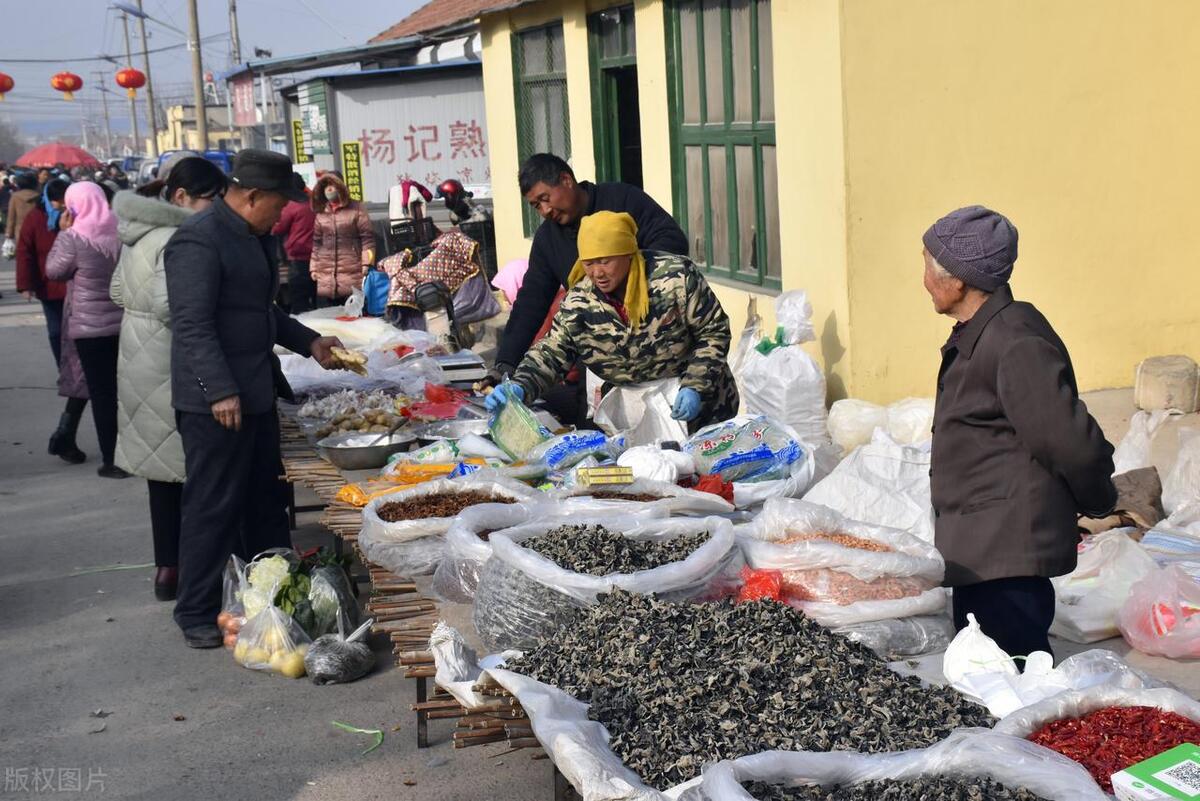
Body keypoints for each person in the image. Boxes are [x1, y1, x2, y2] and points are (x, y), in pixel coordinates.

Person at [164, 149, 342, 648]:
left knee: (265, 502)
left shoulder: (255, 237)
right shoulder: (198, 242)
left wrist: (308, 339)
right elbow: (193, 326)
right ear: (251, 196)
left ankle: (275, 597)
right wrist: (219, 390)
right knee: (212, 505)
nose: (284, 214)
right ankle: (195, 611)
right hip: (214, 402)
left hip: (257, 392)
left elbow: (260, 313)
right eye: (279, 204)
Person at [922, 205, 1117, 660]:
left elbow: (1069, 442)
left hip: (1007, 557)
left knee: (1012, 685)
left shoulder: (1014, 342)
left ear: (959, 280)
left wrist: (1098, 499)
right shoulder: (983, 333)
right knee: (985, 681)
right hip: (981, 550)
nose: (924, 281)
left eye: (928, 269)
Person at [486, 211, 737, 428]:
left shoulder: (675, 279)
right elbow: (552, 353)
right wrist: (520, 385)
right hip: (634, 411)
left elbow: (713, 332)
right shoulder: (580, 301)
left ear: (628, 253)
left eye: (605, 261)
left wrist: (695, 385)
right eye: (589, 263)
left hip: (700, 406)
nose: (597, 273)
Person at [111, 155, 227, 602]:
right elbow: (172, 308)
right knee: (193, 474)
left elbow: (117, 292)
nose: (217, 209)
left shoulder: (136, 235)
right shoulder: (181, 237)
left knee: (160, 475)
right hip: (168, 363)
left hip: (136, 358)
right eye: (210, 200)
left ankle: (167, 569)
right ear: (181, 197)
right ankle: (199, 575)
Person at [490, 154, 688, 384]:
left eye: (545, 198)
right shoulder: (549, 240)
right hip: (603, 357)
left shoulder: (621, 200)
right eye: (536, 206)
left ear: (566, 180)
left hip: (662, 347)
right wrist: (506, 363)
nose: (544, 210)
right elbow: (531, 302)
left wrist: (630, 275)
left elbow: (672, 240)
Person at [45, 182, 127, 478]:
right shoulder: (121, 232)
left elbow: (54, 271)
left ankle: (111, 460)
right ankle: (128, 452)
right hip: (122, 322)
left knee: (102, 395)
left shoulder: (74, 238)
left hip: (88, 329)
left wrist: (63, 233)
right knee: (122, 393)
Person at [16, 178, 88, 462]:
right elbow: (26, 253)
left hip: (78, 296)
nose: (61, 206)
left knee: (80, 363)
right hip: (51, 288)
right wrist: (26, 285)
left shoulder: (82, 221)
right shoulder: (37, 219)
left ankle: (65, 434)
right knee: (56, 331)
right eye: (57, 201)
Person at [310, 172, 374, 307]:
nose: (329, 189)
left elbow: (367, 238)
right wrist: (314, 267)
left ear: (341, 186)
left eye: (332, 185)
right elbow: (316, 242)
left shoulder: (356, 208)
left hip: (352, 268)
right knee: (330, 318)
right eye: (326, 186)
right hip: (326, 270)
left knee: (352, 313)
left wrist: (366, 263)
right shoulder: (321, 211)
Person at [271, 179, 317, 313]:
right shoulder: (314, 203)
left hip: (297, 256)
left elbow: (277, 228)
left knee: (298, 297)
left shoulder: (292, 206)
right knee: (315, 297)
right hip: (317, 256)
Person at [5, 172, 39, 244]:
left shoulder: (15, 196)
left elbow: (11, 217)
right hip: (36, 230)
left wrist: (9, 233)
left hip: (20, 230)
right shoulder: (39, 196)